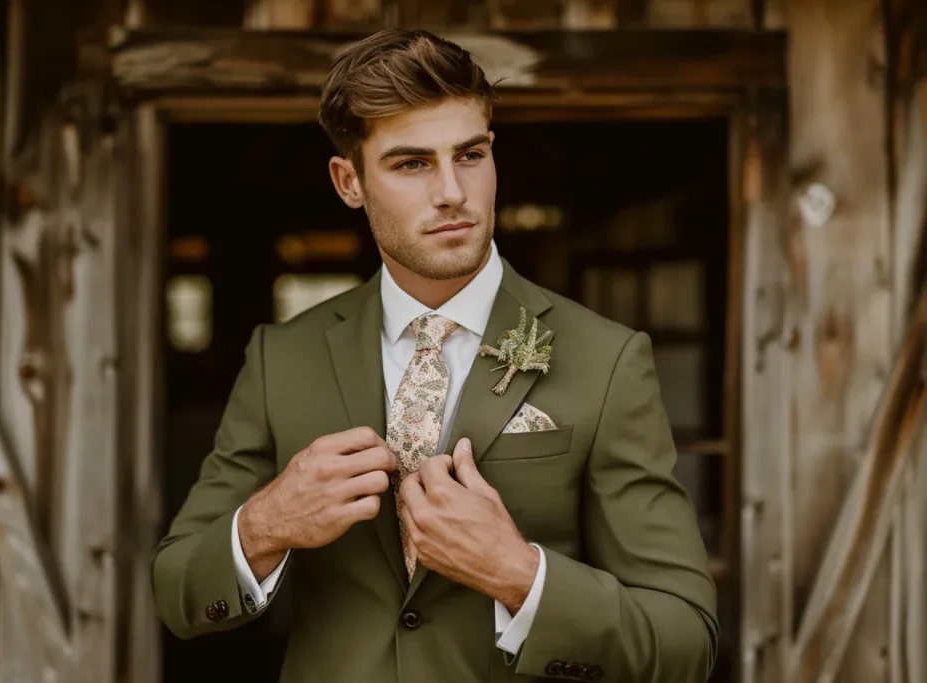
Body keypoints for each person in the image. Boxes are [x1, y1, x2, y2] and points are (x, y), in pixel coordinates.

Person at [152, 28, 718, 683]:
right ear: (349, 181)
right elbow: (178, 592)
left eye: (470, 155)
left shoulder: (609, 359)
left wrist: (517, 572)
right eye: (412, 163)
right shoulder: (284, 354)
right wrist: (266, 524)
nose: (452, 191)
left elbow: (686, 642)